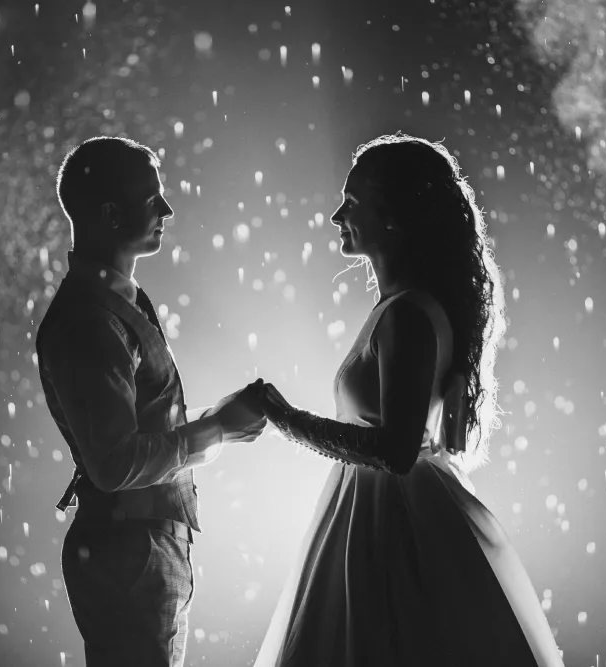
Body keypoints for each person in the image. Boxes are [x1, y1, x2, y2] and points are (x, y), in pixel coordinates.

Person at [252, 133, 565, 666]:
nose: (335, 217)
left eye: (351, 204)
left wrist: (283, 417)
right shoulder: (405, 308)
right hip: (392, 512)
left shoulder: (407, 315)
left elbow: (396, 450)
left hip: (388, 524)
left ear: (393, 218)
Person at [35, 136, 266, 667]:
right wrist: (217, 430)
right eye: (152, 198)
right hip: (128, 553)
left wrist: (216, 421)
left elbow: (145, 430)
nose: (167, 209)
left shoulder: (118, 302)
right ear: (112, 214)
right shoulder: (90, 322)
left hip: (141, 546)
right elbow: (115, 463)